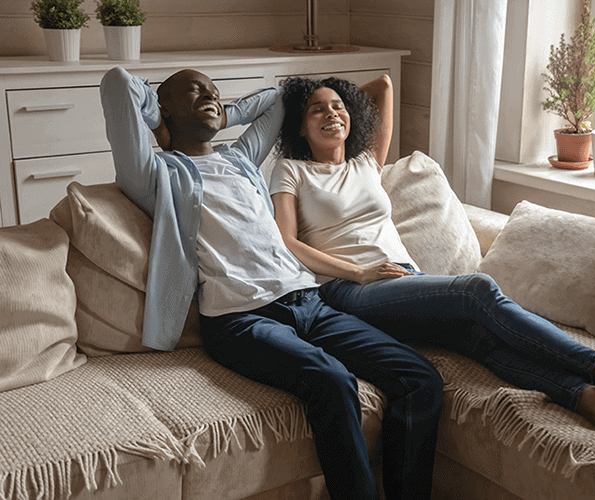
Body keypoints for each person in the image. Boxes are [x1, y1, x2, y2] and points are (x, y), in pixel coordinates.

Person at [99, 66, 444, 500]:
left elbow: (280, 100)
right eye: (194, 91)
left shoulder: (241, 158)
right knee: (333, 381)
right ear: (164, 106)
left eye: (215, 90)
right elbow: (117, 83)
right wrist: (160, 122)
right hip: (240, 319)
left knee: (420, 379)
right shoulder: (156, 173)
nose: (210, 95)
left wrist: (224, 115)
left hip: (308, 303)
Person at [269, 74, 595, 431]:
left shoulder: (366, 163)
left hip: (404, 278)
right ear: (300, 128)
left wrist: (332, 95)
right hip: (348, 289)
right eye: (316, 110)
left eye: (338, 106)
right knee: (476, 290)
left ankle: (591, 400)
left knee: (476, 337)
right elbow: (288, 241)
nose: (331, 114)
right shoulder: (291, 170)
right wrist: (359, 272)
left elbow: (384, 85)